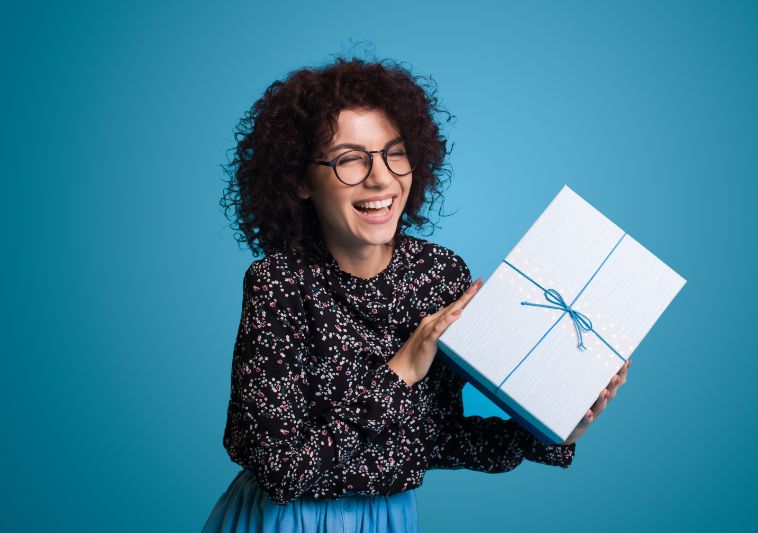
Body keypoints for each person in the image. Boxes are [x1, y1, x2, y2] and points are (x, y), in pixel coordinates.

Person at [203, 54, 630, 533]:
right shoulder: (278, 283)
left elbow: (434, 438)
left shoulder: (438, 274)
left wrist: (554, 431)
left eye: (394, 152)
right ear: (300, 180)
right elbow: (281, 469)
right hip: (284, 520)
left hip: (391, 518)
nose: (381, 177)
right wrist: (401, 370)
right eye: (349, 159)